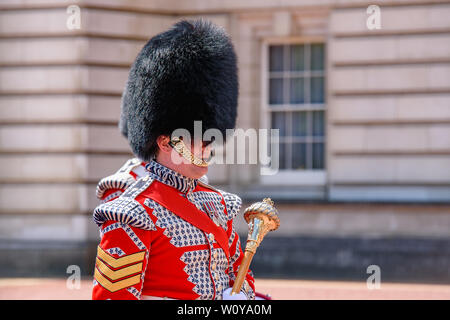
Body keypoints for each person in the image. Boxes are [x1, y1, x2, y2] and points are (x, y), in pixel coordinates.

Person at [91, 19, 255, 300]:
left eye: (209, 137)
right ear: (166, 142)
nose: (207, 145)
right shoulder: (131, 213)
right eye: (197, 136)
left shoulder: (220, 207)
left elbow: (242, 280)